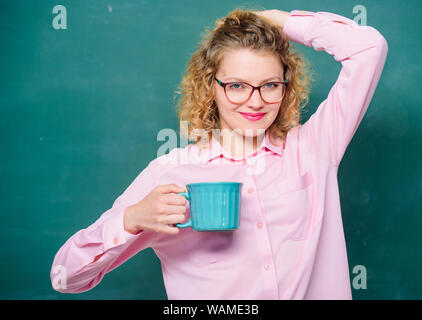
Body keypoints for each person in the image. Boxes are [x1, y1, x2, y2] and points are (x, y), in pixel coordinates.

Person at [50, 8, 388, 299]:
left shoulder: (314, 147)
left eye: (270, 85)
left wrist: (271, 20)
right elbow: (65, 276)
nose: (255, 102)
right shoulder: (168, 173)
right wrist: (130, 220)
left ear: (287, 85)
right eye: (237, 85)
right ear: (210, 85)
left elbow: (368, 49)